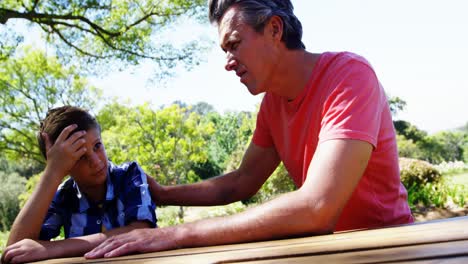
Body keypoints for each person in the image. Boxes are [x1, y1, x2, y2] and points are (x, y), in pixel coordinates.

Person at [85, 0, 413, 258]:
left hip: (389, 249)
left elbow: (317, 207)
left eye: (235, 44)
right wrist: (163, 194)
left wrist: (172, 234)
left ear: (274, 29)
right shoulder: (272, 104)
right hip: (329, 250)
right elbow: (241, 183)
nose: (228, 62)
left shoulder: (349, 76)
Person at [1, 106, 157, 263]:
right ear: (64, 166)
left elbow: (140, 231)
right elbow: (14, 252)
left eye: (97, 146)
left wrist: (53, 248)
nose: (96, 162)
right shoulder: (63, 196)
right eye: (81, 157)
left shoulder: (129, 174)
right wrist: (52, 172)